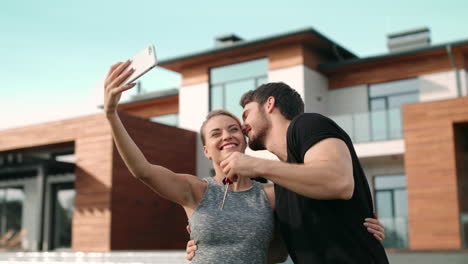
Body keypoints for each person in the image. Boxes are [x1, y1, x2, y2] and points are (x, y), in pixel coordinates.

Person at [104, 62, 384, 263]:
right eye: (216, 133)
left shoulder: (279, 181)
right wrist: (112, 115)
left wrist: (362, 219)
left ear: (270, 105)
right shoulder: (199, 189)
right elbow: (142, 170)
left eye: (239, 123)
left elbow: (336, 184)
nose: (236, 130)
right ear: (205, 149)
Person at [187, 82, 389, 264]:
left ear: (269, 104)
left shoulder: (306, 124)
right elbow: (277, 253)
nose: (243, 126)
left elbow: (339, 182)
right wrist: (209, 243)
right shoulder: (283, 180)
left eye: (246, 114)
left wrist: (257, 165)